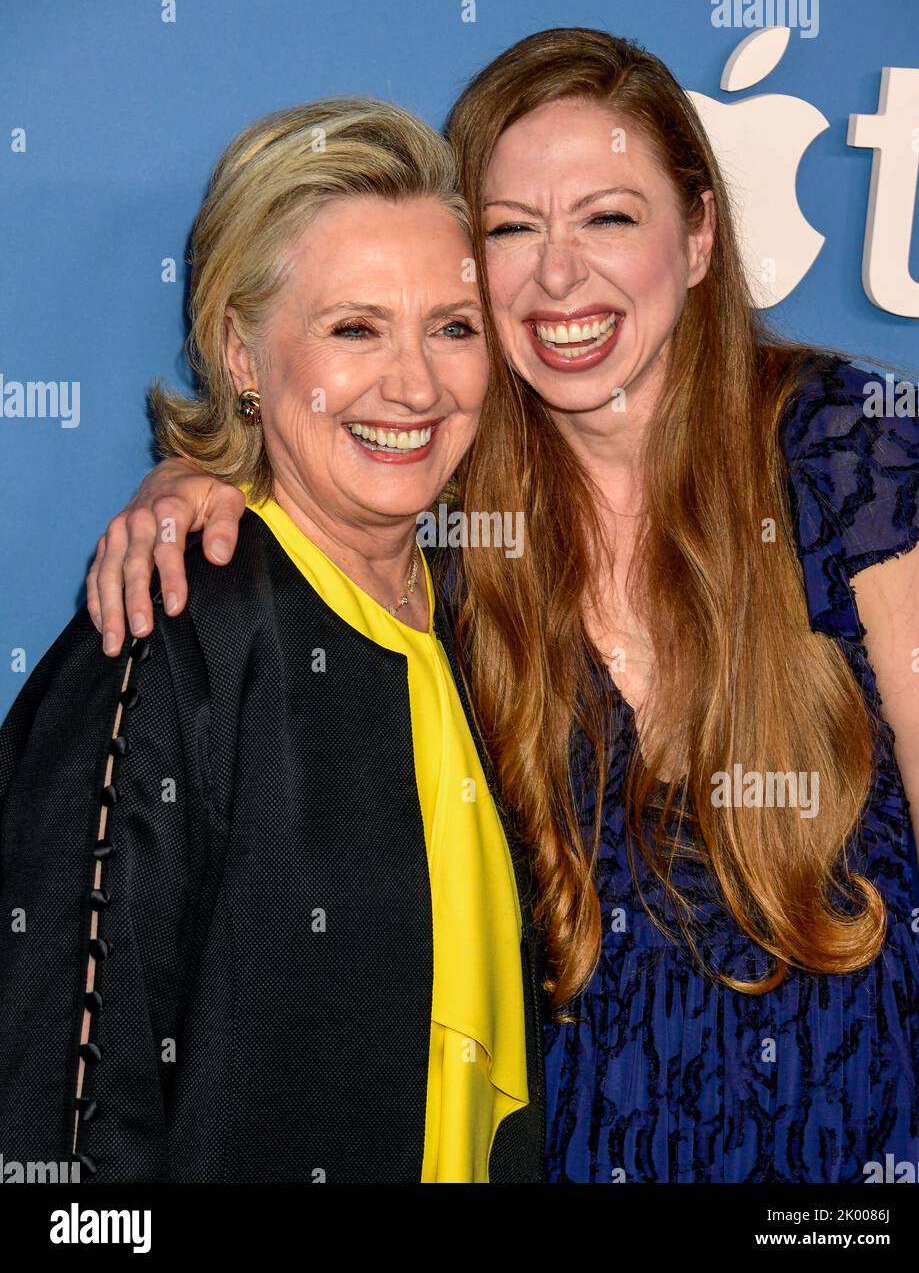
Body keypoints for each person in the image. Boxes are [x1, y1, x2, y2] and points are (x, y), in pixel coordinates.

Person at [86, 29, 919, 1183]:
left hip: (865, 1158)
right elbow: (307, 462)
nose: (557, 278)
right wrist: (189, 482)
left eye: (607, 218)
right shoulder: (444, 507)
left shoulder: (849, 451)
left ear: (695, 237)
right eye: (509, 229)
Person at [0, 96, 546, 1184]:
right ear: (239, 351)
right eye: (354, 327)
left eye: (452, 326)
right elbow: (57, 1123)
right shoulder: (166, 624)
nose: (415, 385)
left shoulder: (485, 627)